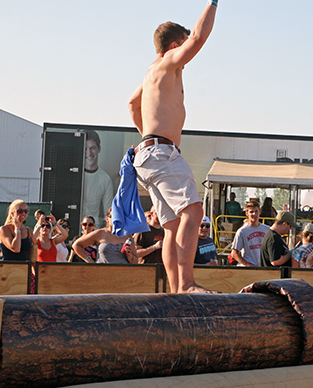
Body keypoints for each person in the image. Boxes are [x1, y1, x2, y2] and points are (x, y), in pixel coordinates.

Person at [128, 1, 217, 293]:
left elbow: (132, 104)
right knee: (193, 212)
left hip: (149, 153)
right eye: (183, 45)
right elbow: (198, 38)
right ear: (175, 45)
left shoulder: (150, 73)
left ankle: (176, 290)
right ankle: (187, 283)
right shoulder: (168, 62)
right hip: (161, 152)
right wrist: (213, 2)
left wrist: (147, 138)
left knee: (171, 227)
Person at [72, 209, 138, 264]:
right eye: (112, 216)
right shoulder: (100, 233)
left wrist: (129, 255)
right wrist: (90, 261)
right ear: (107, 219)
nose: (116, 219)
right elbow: (76, 245)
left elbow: (136, 261)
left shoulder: (127, 236)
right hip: (102, 272)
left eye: (119, 216)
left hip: (122, 272)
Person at [82, 130, 114, 229]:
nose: (89, 152)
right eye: (85, 148)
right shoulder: (73, 175)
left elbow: (108, 212)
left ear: (99, 149)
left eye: (92, 148)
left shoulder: (105, 179)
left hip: (94, 231)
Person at [231, 201, 270, 266]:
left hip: (264, 267)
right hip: (249, 268)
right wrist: (248, 265)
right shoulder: (242, 231)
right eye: (251, 212)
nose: (254, 214)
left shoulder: (267, 229)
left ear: (260, 212)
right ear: (247, 213)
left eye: (256, 211)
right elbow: (234, 253)